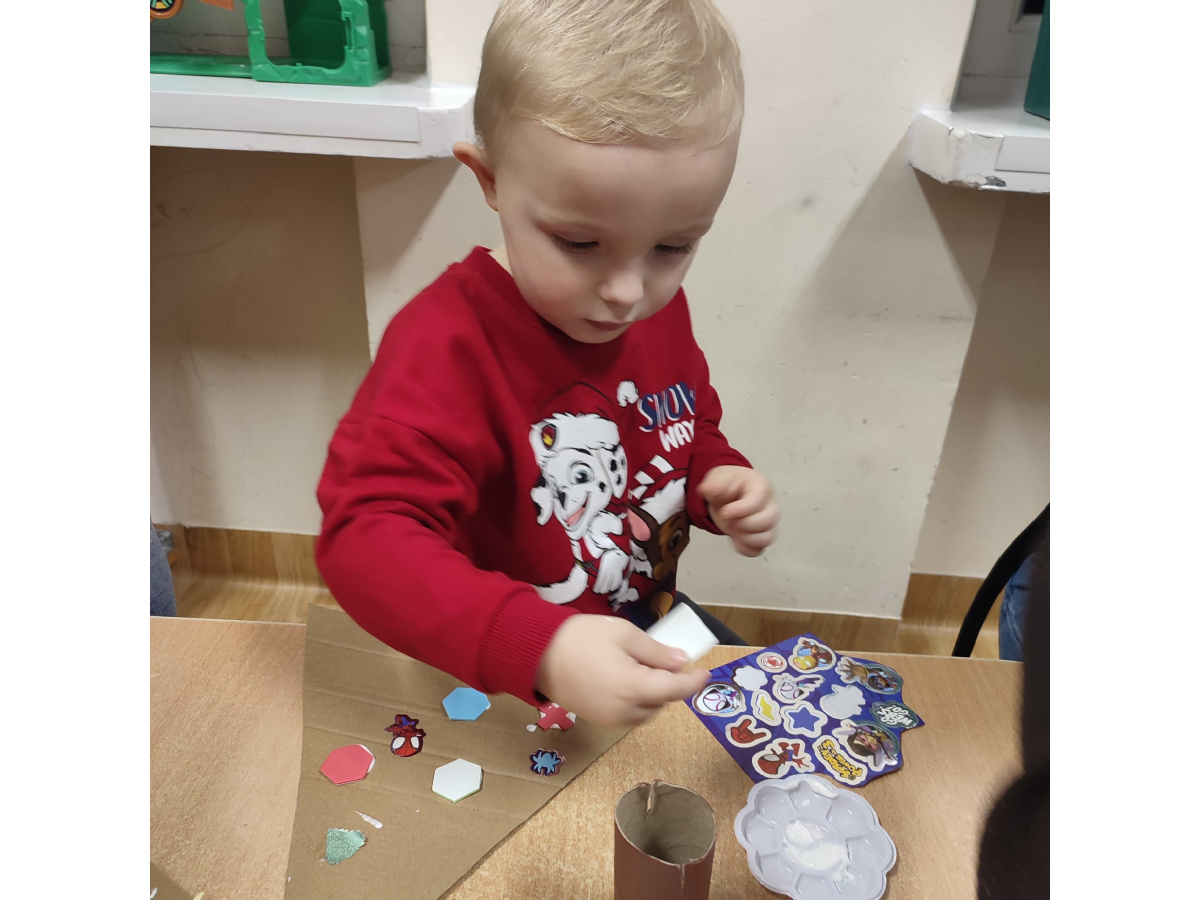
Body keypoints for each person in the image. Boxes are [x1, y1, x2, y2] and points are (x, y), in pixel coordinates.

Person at [316, 0, 779, 727]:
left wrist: (715, 476)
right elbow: (364, 541)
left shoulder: (652, 310)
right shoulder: (445, 347)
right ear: (489, 180)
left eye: (673, 247)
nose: (627, 291)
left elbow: (681, 423)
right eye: (579, 243)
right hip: (501, 675)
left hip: (644, 620)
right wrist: (543, 646)